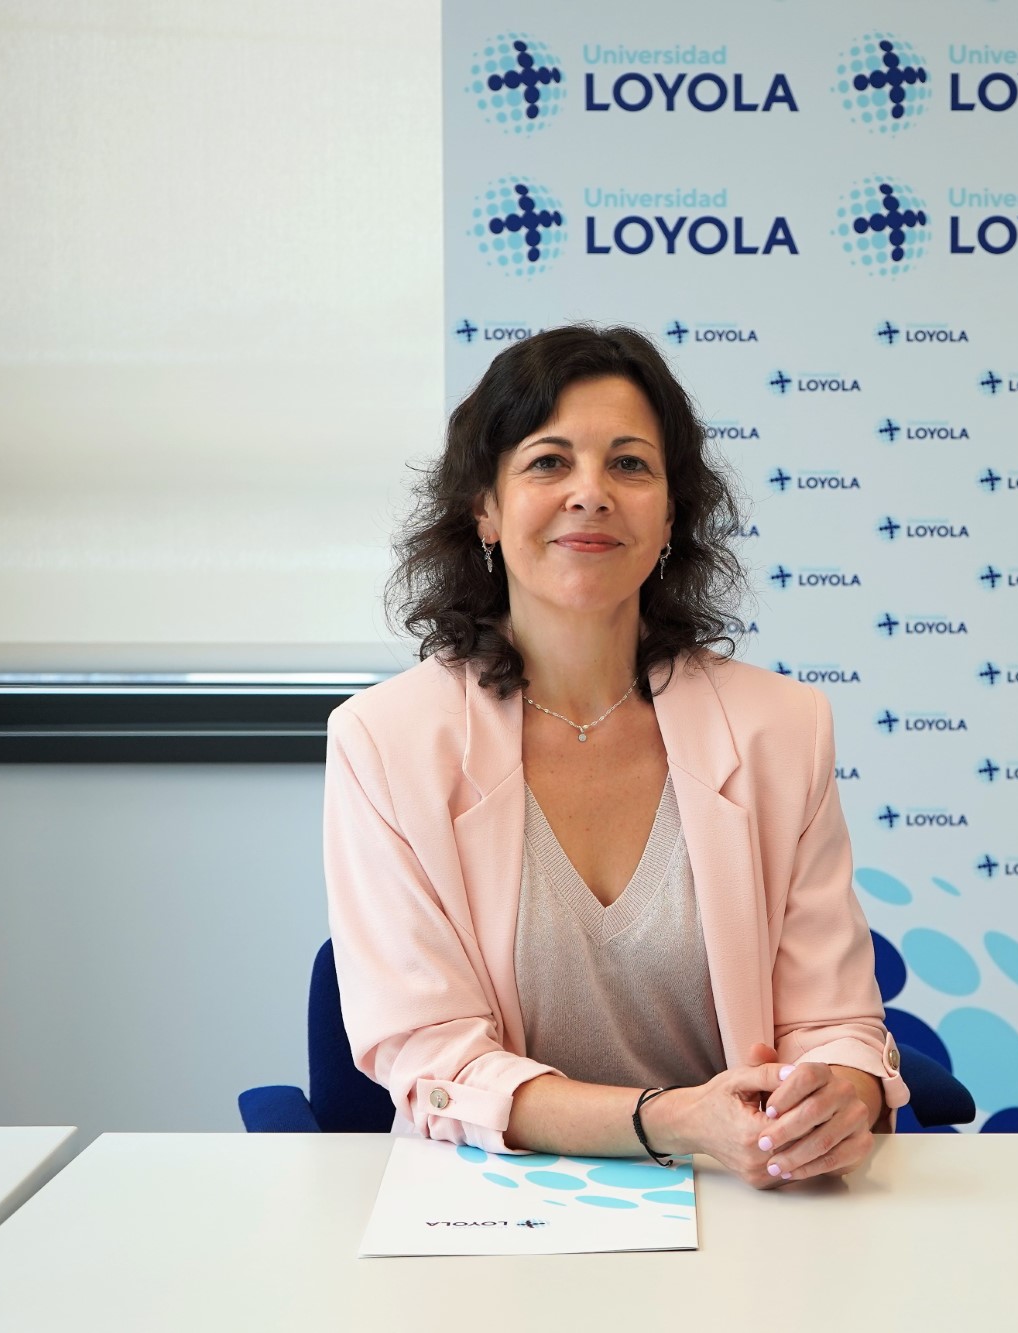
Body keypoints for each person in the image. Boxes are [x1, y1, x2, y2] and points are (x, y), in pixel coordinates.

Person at [325, 325, 905, 1189]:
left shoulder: (782, 728)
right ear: (485, 509)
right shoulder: (384, 740)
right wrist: (673, 1120)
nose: (590, 494)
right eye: (548, 462)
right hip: (491, 1199)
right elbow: (436, 1058)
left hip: (739, 1199)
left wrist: (840, 1094)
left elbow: (835, 1025)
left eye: (630, 464)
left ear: (670, 516)